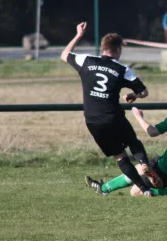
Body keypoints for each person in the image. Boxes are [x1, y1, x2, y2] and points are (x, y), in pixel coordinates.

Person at [60, 22, 157, 197]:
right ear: (118, 50)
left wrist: (78, 35)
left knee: (120, 157)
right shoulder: (122, 69)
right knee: (133, 143)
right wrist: (134, 96)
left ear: (103, 48)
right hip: (114, 117)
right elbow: (144, 92)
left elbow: (64, 54)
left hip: (93, 121)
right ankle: (143, 163)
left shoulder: (86, 61)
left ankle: (145, 190)